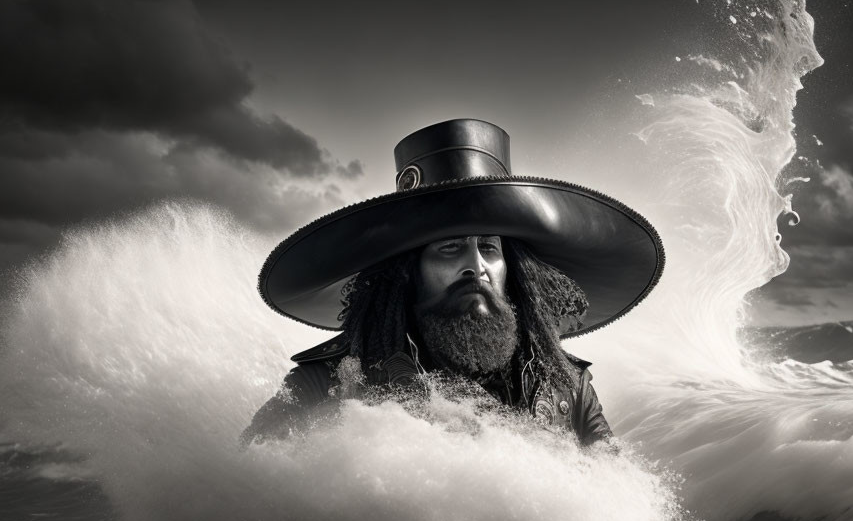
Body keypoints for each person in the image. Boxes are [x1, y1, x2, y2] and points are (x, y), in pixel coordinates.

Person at [243, 119, 663, 447]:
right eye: (450, 249)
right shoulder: (331, 380)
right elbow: (246, 486)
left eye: (489, 248)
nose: (474, 266)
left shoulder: (567, 386)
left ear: (511, 271)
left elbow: (619, 501)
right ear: (408, 272)